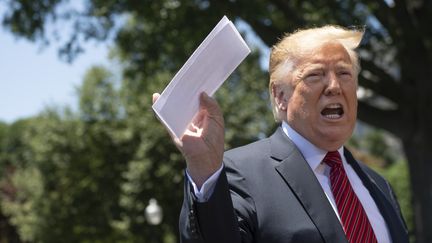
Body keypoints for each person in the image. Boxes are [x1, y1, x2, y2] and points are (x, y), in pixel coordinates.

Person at [153, 25, 408, 243]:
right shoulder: (236, 174)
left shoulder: (379, 185)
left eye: (344, 73)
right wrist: (204, 169)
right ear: (280, 95)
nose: (334, 86)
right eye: (315, 75)